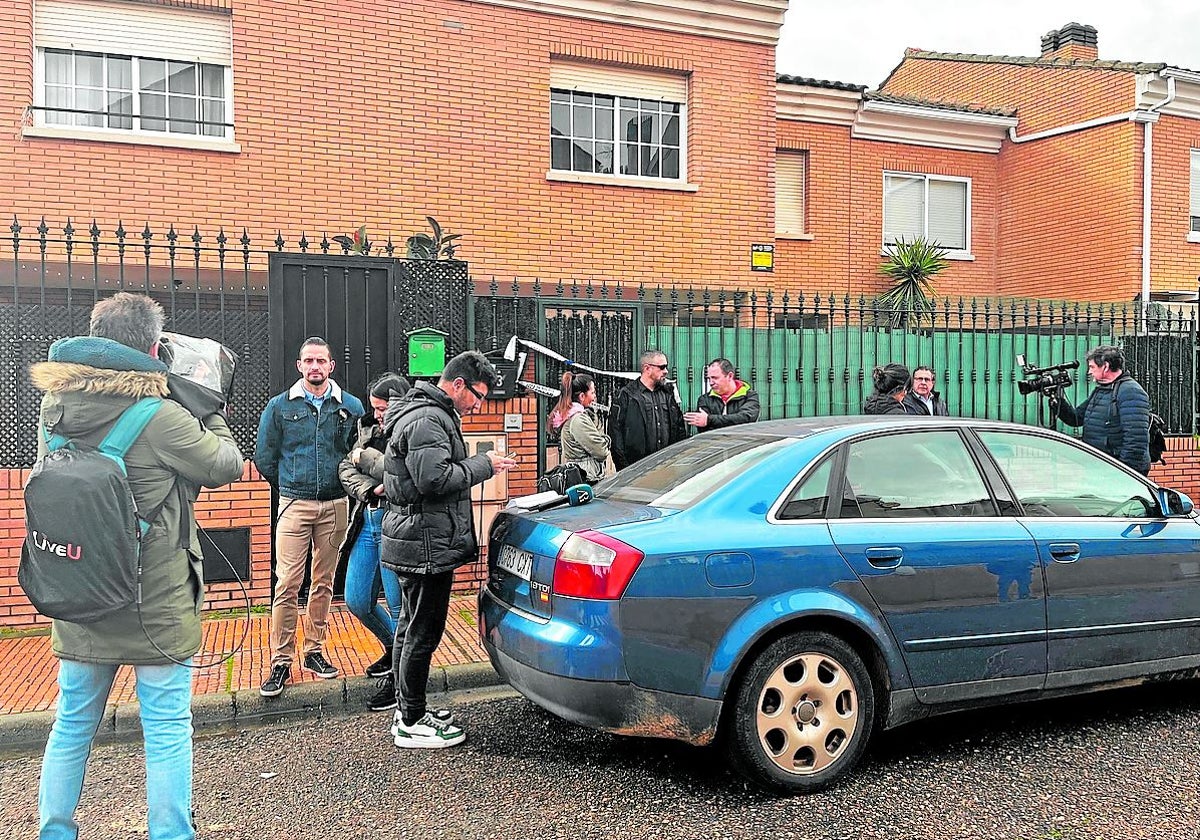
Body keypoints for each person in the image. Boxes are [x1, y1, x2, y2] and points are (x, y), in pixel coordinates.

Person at [30, 292, 243, 840]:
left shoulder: (54, 407)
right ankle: (170, 834)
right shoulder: (162, 415)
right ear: (154, 346)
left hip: (80, 592)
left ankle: (55, 832)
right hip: (154, 604)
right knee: (167, 728)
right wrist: (211, 406)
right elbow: (226, 465)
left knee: (72, 724)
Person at [381, 350, 517, 748]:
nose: (479, 404)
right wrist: (485, 464)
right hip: (423, 542)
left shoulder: (428, 412)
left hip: (420, 538)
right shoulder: (428, 418)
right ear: (457, 385)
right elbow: (434, 480)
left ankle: (409, 706)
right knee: (423, 630)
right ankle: (412, 720)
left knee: (411, 625)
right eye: (477, 395)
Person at [255, 337, 364, 697]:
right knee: (286, 583)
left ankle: (313, 651)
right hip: (294, 505)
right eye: (309, 361)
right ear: (299, 365)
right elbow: (265, 458)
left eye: (321, 360)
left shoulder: (350, 406)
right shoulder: (279, 407)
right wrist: (291, 484)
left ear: (331, 366)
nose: (315, 366)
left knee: (324, 583)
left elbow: (357, 454)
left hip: (335, 504)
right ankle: (281, 660)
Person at [337, 372, 411, 712]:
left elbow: (401, 473)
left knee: (399, 609)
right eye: (375, 408)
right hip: (367, 519)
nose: (377, 414)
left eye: (382, 408)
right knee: (357, 599)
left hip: (396, 524)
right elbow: (344, 468)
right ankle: (391, 651)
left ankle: (401, 678)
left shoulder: (412, 428)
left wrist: (365, 461)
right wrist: (371, 487)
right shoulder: (367, 427)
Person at [1051, 344, 1151, 474]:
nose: (1089, 372)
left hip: (1117, 472)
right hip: (1100, 466)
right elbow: (1075, 418)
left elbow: (1136, 441)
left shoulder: (1131, 391)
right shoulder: (1101, 390)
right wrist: (1057, 401)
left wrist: (1123, 473)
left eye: (1092, 367)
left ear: (1106, 366)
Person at [610, 349, 686, 469]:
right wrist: (625, 468)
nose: (666, 371)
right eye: (661, 367)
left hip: (667, 467)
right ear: (647, 368)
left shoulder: (668, 394)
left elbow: (679, 428)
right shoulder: (626, 395)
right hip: (636, 469)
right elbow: (615, 434)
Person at [558, 372, 610, 483]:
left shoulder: (572, 415)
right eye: (593, 392)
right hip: (586, 477)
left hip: (584, 475)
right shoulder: (578, 420)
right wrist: (606, 440)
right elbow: (601, 451)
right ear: (582, 396)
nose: (595, 397)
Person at [684, 358, 761, 431]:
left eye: (715, 378)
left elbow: (746, 419)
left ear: (730, 376)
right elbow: (704, 429)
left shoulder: (750, 396)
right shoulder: (705, 399)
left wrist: (709, 420)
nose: (711, 382)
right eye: (709, 378)